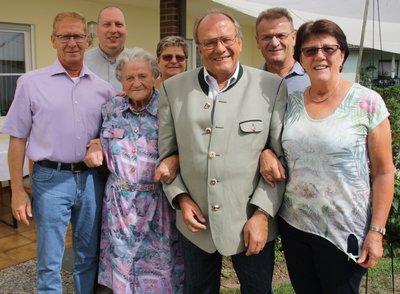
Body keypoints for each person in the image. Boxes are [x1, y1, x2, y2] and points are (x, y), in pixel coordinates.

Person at [158, 9, 287, 294]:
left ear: (240, 42)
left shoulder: (271, 86)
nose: (219, 48)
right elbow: (166, 157)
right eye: (209, 42)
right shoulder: (173, 89)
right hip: (196, 224)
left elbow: (281, 161)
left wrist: (262, 215)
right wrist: (180, 198)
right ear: (199, 48)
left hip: (250, 221)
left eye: (226, 39)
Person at [261, 19, 394, 293]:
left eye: (328, 49)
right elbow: (272, 144)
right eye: (310, 51)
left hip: (344, 230)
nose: (320, 56)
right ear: (300, 59)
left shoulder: (367, 102)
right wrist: (266, 153)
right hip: (295, 225)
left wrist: (376, 232)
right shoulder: (290, 102)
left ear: (342, 55)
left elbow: (383, 172)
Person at [1, 12, 115, 293]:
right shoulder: (31, 83)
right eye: (65, 36)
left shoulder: (104, 90)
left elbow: (111, 135)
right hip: (50, 180)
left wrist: (100, 141)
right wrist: (17, 190)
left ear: (87, 40)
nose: (72, 42)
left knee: (88, 256)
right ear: (53, 40)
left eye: (77, 35)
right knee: (50, 260)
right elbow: (17, 139)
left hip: (91, 181)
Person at [97, 47, 184, 293]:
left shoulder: (170, 109)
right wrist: (95, 145)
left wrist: (174, 159)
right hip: (119, 207)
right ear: (121, 81)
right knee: (124, 269)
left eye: (142, 76)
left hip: (158, 204)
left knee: (160, 268)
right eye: (129, 78)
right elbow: (100, 140)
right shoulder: (111, 108)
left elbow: (185, 147)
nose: (136, 82)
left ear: (155, 75)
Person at [256, 7, 310, 94]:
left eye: (281, 36)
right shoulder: (250, 81)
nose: (274, 43)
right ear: (257, 42)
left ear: (293, 38)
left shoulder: (312, 78)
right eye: (267, 37)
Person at [85, 5, 127, 91]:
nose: (113, 30)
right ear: (97, 31)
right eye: (107, 24)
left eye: (118, 24)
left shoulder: (139, 62)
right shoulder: (82, 64)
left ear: (126, 30)